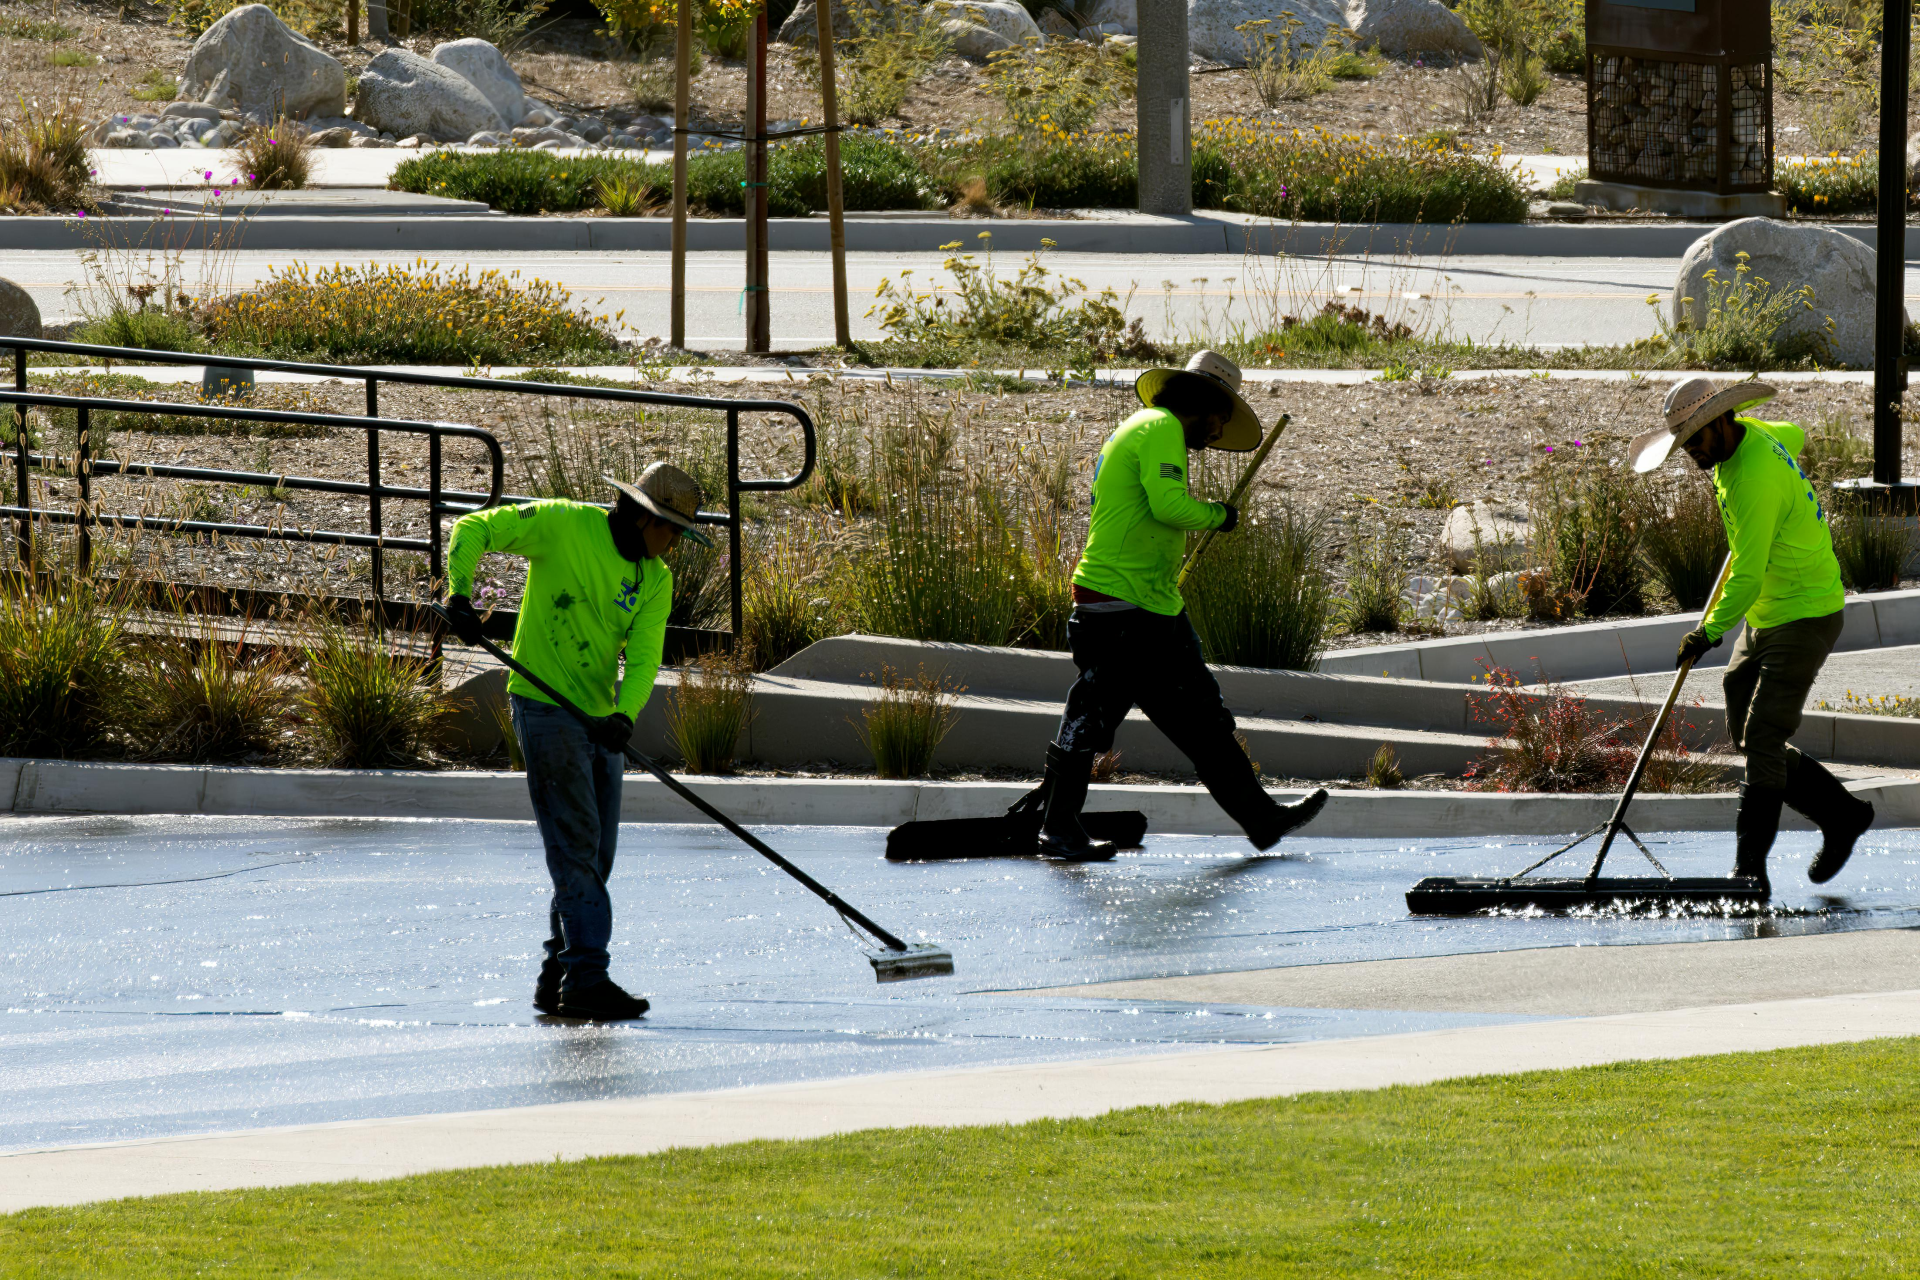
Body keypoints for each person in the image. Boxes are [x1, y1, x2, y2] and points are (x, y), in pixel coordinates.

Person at [442, 463, 710, 1022]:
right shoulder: (563, 524)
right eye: (671, 529)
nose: (675, 544)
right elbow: (472, 529)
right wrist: (461, 597)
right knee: (576, 848)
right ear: (641, 516)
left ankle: (557, 974)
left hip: (597, 720)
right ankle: (587, 976)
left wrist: (623, 715)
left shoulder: (654, 580)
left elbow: (642, 661)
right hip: (544, 709)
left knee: (594, 856)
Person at [1039, 350, 1329, 859]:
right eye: (1221, 415)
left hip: (1155, 607)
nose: (1220, 430)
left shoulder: (1151, 428)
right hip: (1117, 606)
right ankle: (1058, 827)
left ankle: (1261, 819)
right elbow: (1169, 505)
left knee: (1203, 717)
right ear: (1204, 401)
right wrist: (1221, 515)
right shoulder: (1159, 427)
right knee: (1091, 713)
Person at [1631, 377, 1873, 892]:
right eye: (1683, 444)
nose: (1691, 453)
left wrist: (1708, 632)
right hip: (1768, 613)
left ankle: (1749, 871)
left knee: (1765, 735)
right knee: (1745, 729)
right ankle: (1843, 815)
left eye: (1695, 440)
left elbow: (1748, 571)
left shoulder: (1752, 481)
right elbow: (1797, 432)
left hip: (1804, 613)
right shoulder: (1758, 433)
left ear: (1722, 422)